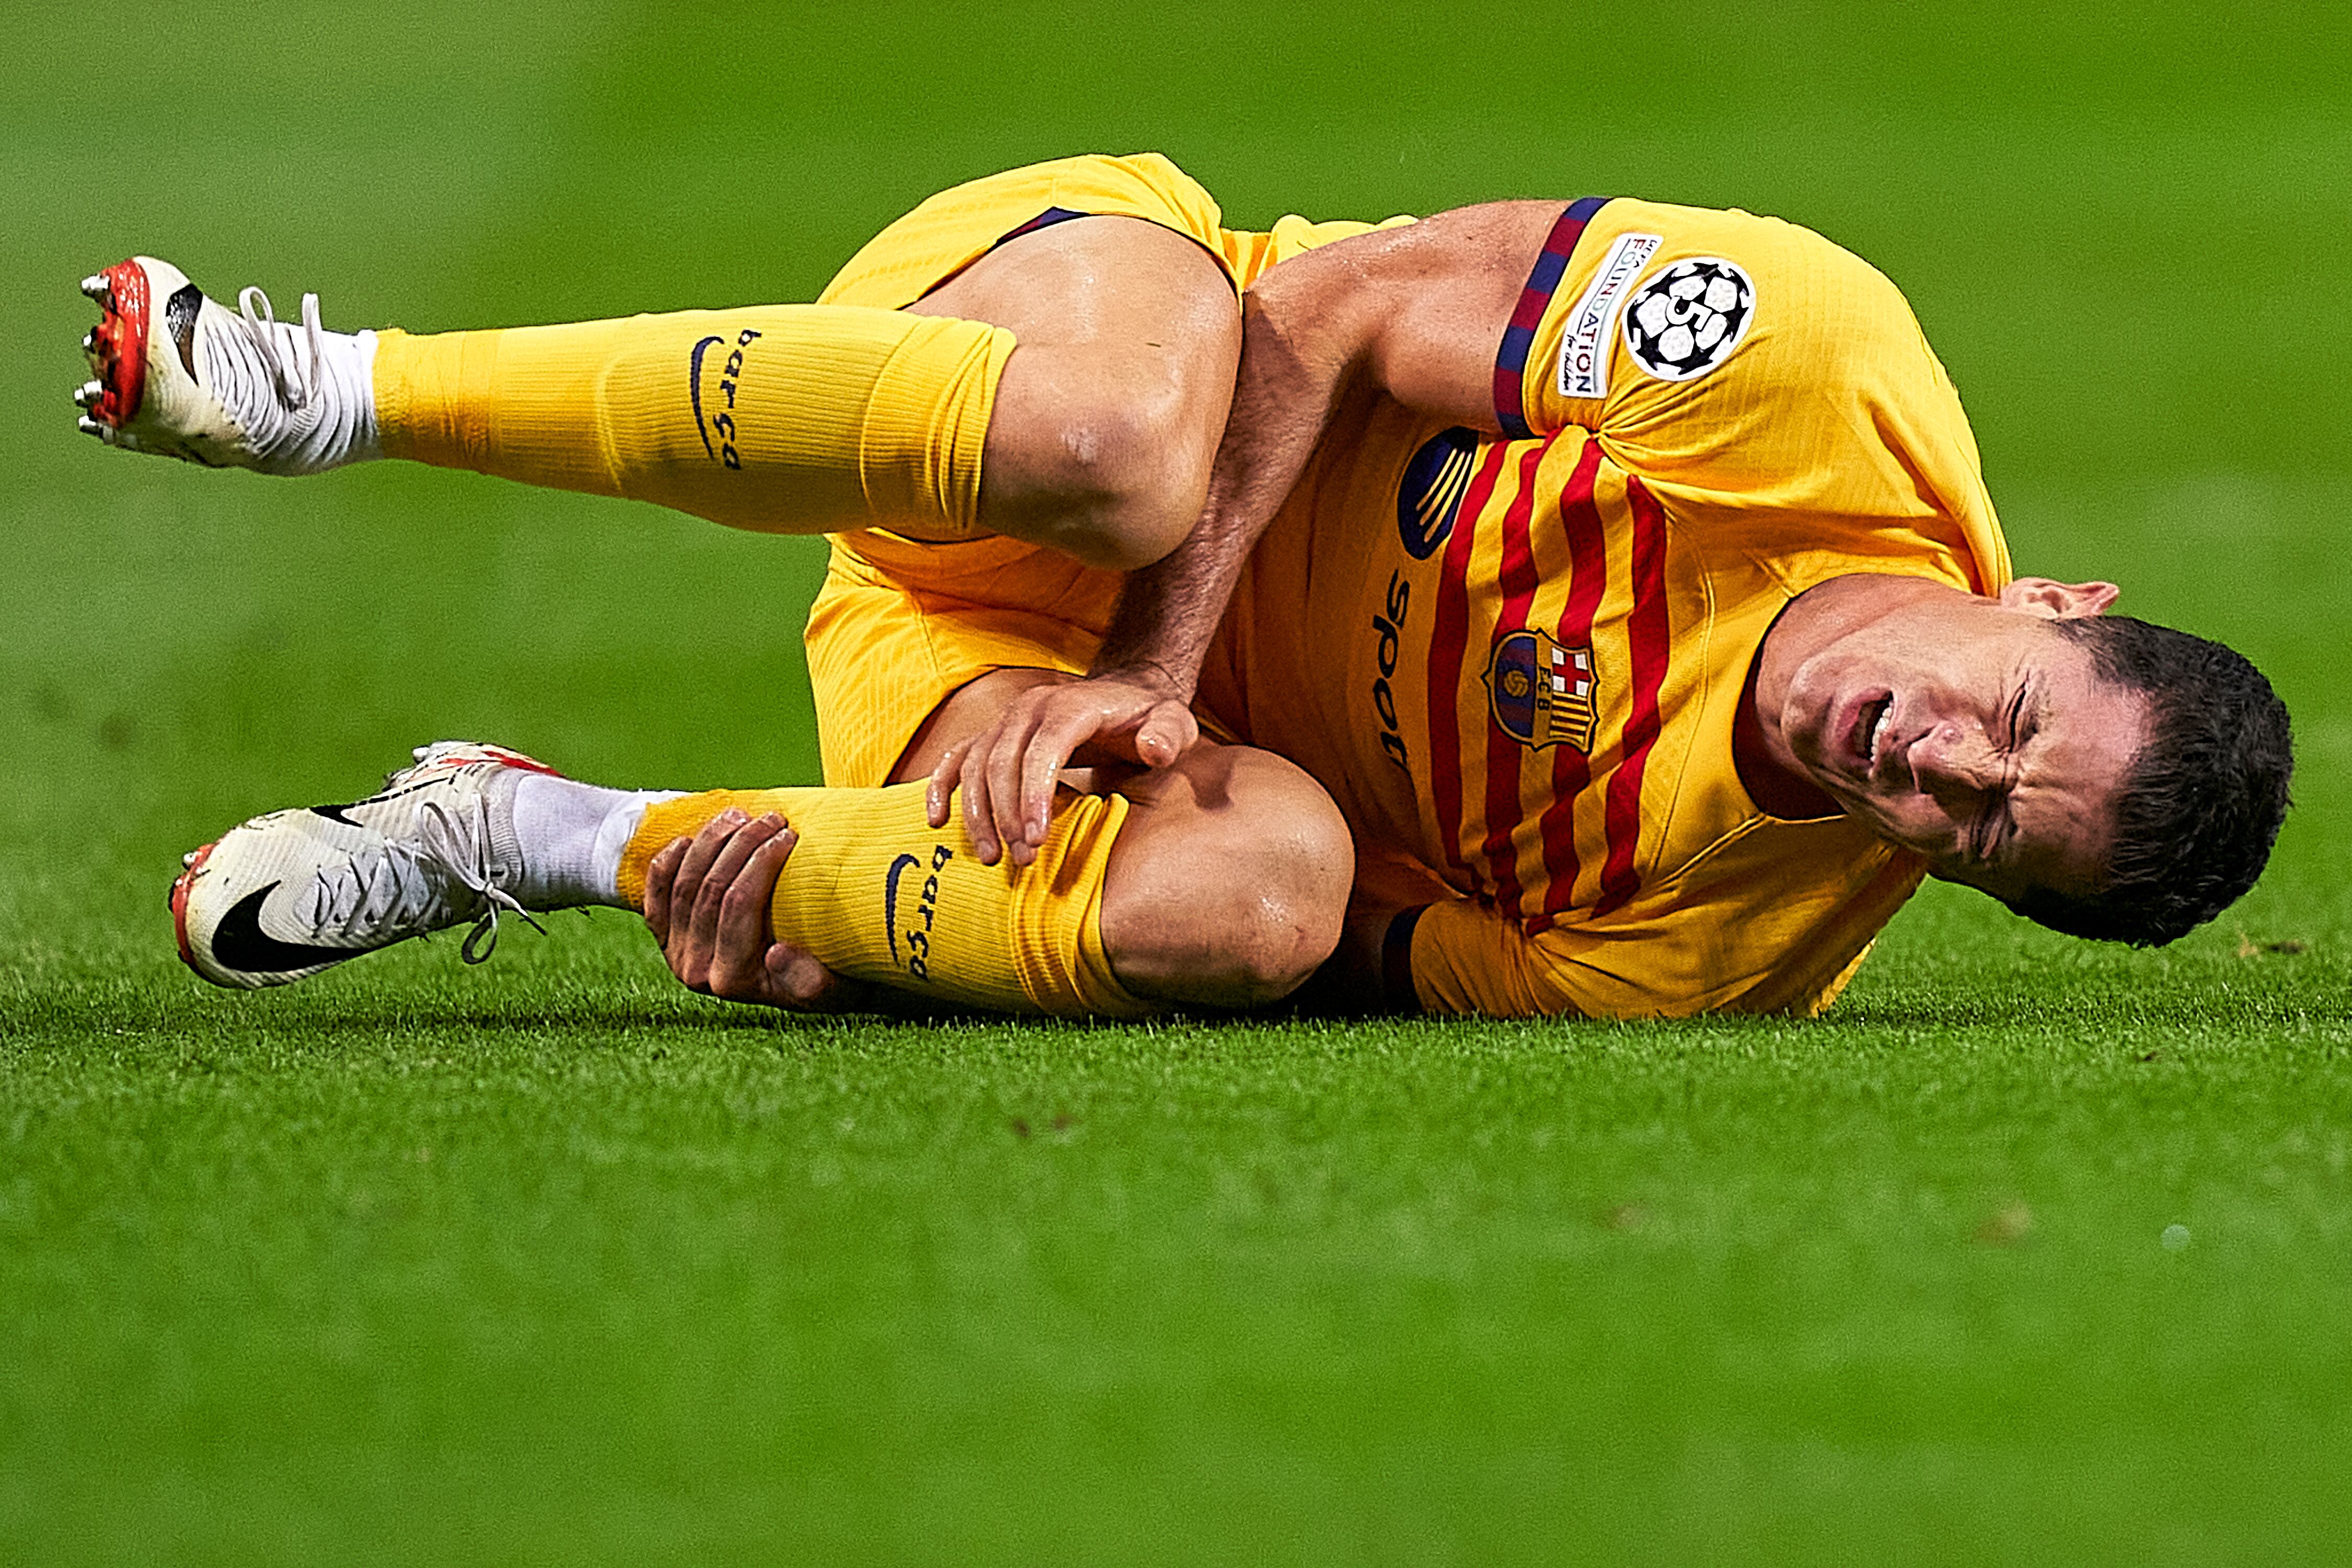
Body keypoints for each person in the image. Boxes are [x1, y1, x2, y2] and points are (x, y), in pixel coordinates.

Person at [75, 154, 2292, 1020]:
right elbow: (1332, 307)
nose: (1930, 765)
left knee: (1252, 897)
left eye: (1979, 830)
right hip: (1047, 359)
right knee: (1127, 459)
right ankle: (317, 384)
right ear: (2049, 598)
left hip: (970, 704)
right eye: (2008, 721)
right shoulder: (1816, 386)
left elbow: (1325, 963)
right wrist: (1147, 664)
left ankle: (517, 830)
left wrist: (925, 943)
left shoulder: (1713, 948)